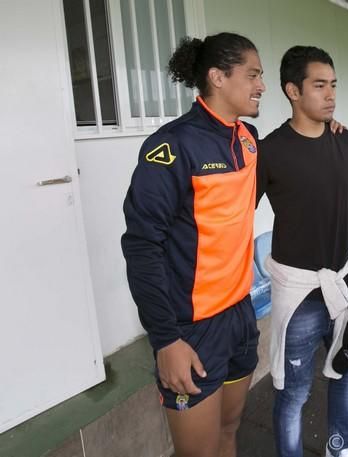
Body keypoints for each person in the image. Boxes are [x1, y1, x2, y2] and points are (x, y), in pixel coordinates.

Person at [121, 33, 266, 457]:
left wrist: (328, 130)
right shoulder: (172, 146)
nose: (261, 85)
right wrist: (165, 339)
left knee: (229, 431)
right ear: (218, 77)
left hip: (241, 314)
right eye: (253, 74)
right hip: (192, 329)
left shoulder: (248, 138)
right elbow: (142, 245)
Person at [256, 46, 348, 457]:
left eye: (334, 85)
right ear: (293, 90)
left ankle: (340, 448)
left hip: (344, 280)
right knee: (294, 393)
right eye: (319, 85)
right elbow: (234, 219)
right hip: (298, 291)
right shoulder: (269, 151)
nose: (331, 95)